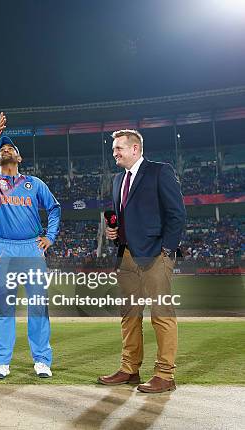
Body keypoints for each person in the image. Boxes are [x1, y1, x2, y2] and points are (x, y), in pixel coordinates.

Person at [98, 129, 186, 393]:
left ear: (135, 149)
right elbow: (121, 216)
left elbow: (177, 214)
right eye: (114, 149)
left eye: (118, 149)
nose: (114, 153)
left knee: (161, 314)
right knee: (129, 315)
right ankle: (129, 368)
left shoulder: (160, 171)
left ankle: (165, 374)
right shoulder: (117, 180)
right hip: (126, 255)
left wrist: (167, 251)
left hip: (156, 254)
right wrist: (114, 233)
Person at [0, 112, 61, 380]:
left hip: (32, 249)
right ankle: (1, 361)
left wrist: (50, 236)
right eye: (2, 149)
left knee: (38, 305)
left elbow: (55, 208)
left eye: (10, 148)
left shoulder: (34, 183)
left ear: (20, 158)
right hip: (6, 248)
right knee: (4, 307)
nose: (6, 150)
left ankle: (42, 360)